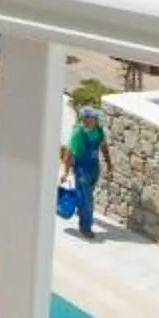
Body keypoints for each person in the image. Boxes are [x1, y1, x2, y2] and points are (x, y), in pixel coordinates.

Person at [60, 100, 112, 240]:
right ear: (86, 119)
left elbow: (104, 147)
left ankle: (82, 209)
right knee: (87, 199)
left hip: (95, 168)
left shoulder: (98, 130)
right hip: (82, 169)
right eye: (93, 117)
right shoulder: (78, 133)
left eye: (95, 117)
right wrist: (65, 172)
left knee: (85, 197)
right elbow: (69, 153)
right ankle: (85, 227)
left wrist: (109, 164)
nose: (95, 119)